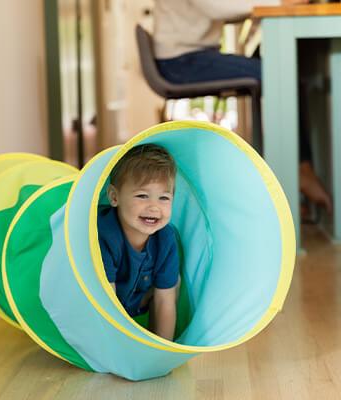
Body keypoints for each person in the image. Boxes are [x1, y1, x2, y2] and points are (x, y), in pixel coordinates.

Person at [153, 0, 332, 215]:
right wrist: (280, 2)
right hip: (180, 61)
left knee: (273, 68)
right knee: (277, 71)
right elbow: (216, 7)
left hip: (186, 56)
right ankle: (297, 170)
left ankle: (291, 171)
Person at [97, 144, 180, 341]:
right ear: (114, 197)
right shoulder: (105, 234)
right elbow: (105, 302)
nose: (154, 207)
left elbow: (164, 302)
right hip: (101, 306)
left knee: (173, 284)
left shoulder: (166, 239)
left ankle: (153, 342)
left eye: (164, 198)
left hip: (139, 298)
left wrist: (162, 352)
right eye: (142, 196)